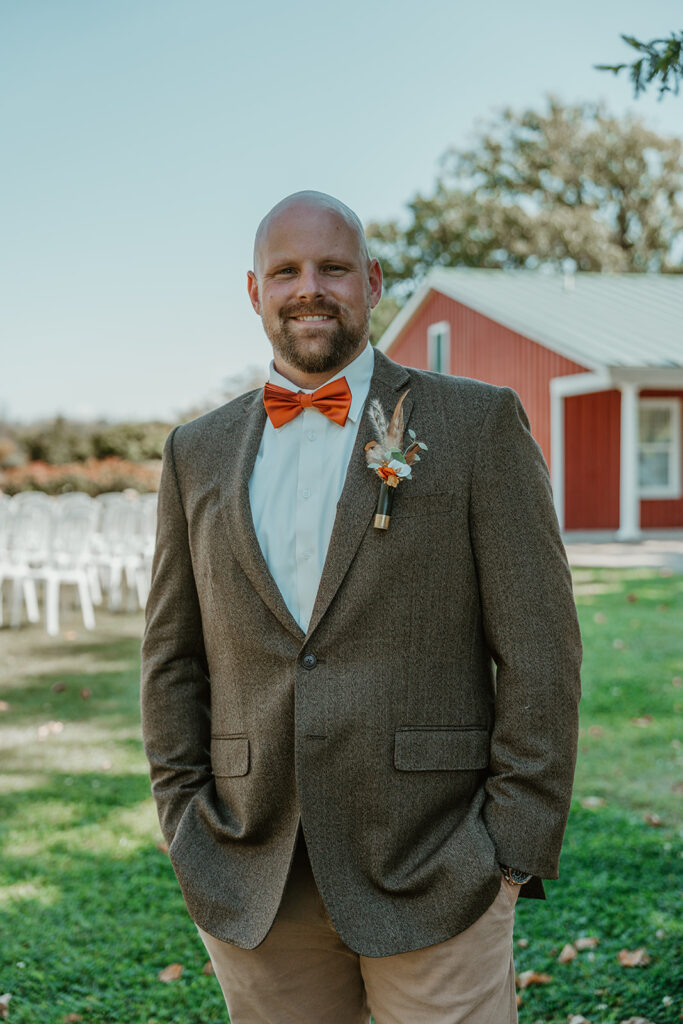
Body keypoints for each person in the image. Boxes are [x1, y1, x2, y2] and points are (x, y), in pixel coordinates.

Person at [140, 190, 582, 1024]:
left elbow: (540, 649)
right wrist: (186, 825)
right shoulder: (193, 452)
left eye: (333, 267)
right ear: (254, 291)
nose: (310, 287)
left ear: (373, 282)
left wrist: (510, 851)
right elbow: (171, 658)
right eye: (286, 271)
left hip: (436, 862)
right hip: (254, 868)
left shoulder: (475, 424)